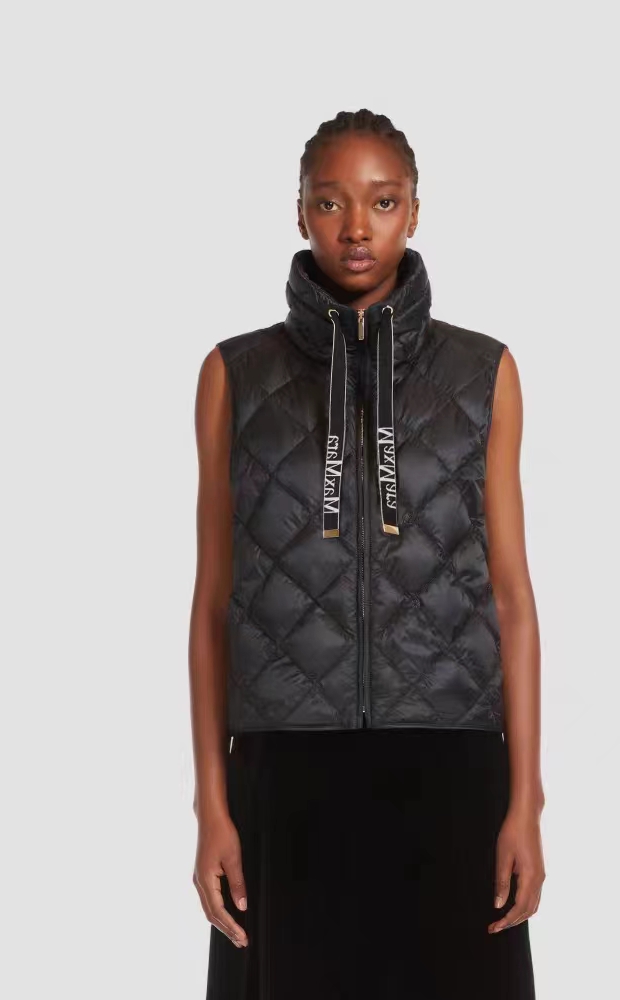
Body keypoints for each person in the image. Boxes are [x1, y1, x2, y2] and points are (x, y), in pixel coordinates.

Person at [190, 108, 544, 1000]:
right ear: (299, 212)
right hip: (285, 774)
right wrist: (211, 806)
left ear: (414, 212)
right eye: (330, 202)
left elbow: (511, 599)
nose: (356, 227)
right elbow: (212, 603)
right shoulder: (235, 375)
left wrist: (525, 803)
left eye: (383, 202)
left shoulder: (483, 373)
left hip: (451, 769)